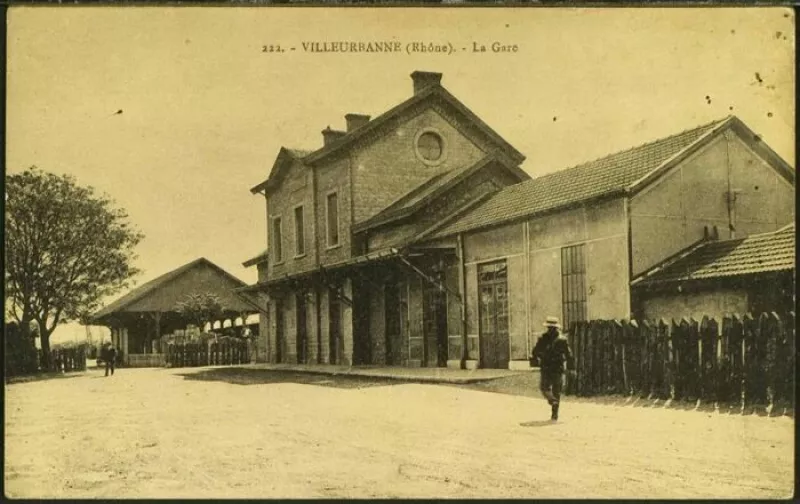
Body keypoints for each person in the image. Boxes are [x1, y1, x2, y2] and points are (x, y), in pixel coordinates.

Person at [530, 316, 574, 421]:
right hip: (558, 368)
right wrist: (571, 367)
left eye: (550, 328)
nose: (550, 329)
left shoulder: (543, 338)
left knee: (544, 388)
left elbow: (535, 352)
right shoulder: (562, 339)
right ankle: (555, 414)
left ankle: (551, 400)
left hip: (546, 367)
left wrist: (538, 356)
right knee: (556, 390)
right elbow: (569, 355)